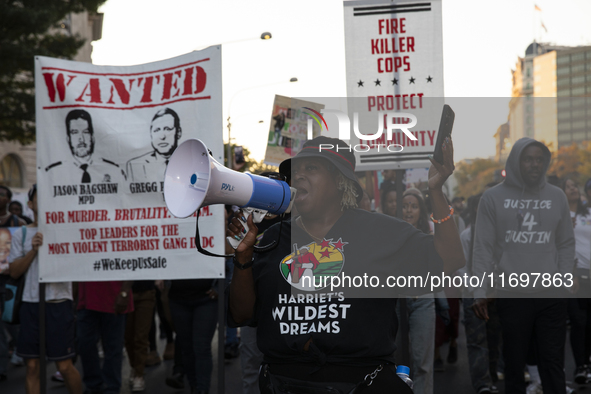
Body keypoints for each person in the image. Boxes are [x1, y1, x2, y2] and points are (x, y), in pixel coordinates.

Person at [227, 136, 464, 392]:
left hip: (361, 383)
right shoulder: (274, 237)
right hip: (284, 383)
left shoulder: (381, 231)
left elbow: (449, 260)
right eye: (296, 171)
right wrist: (242, 257)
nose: (300, 176)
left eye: (312, 168)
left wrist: (436, 191)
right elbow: (242, 315)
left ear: (341, 181)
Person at [472, 138, 575, 394]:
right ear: (517, 161)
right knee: (515, 365)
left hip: (551, 295)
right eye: (528, 159)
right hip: (512, 294)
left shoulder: (557, 196)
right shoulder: (492, 198)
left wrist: (564, 279)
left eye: (539, 159)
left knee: (553, 363)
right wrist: (479, 290)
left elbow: (565, 243)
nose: (534, 164)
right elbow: (482, 247)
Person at [8, 184, 82, 394]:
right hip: (30, 305)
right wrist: (33, 250)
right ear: (30, 204)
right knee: (32, 367)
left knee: (64, 366)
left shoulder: (67, 231)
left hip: (58, 304)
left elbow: (75, 267)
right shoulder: (21, 234)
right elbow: (14, 272)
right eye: (39, 197)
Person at [394, 188, 437, 394]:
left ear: (421, 210)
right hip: (395, 302)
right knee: (397, 361)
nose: (408, 210)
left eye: (413, 206)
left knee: (422, 363)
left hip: (423, 301)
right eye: (404, 206)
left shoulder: (428, 236)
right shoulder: (389, 233)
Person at [77, 280, 133, 394]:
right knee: (84, 343)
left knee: (113, 346)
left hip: (114, 295)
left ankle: (111, 387)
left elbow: (131, 263)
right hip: (87, 298)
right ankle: (94, 385)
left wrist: (124, 291)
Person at [561, 178, 591, 384]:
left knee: (588, 322)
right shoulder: (560, 216)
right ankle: (581, 366)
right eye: (568, 186)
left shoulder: (587, 213)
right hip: (574, 273)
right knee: (579, 321)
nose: (573, 189)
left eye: (574, 186)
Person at [45, 109, 125, 184]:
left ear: (92, 137)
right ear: (68, 139)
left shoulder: (114, 171)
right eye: (75, 132)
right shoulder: (53, 173)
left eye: (86, 132)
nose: (81, 139)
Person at [168, 279, 218, 394]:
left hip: (206, 298)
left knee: (202, 347)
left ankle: (202, 389)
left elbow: (227, 264)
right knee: (187, 348)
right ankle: (194, 387)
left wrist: (219, 288)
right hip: (178, 300)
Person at [126, 107, 182, 182]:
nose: (162, 136)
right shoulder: (134, 166)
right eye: (157, 130)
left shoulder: (194, 162)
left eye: (168, 129)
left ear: (178, 132)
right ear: (151, 134)